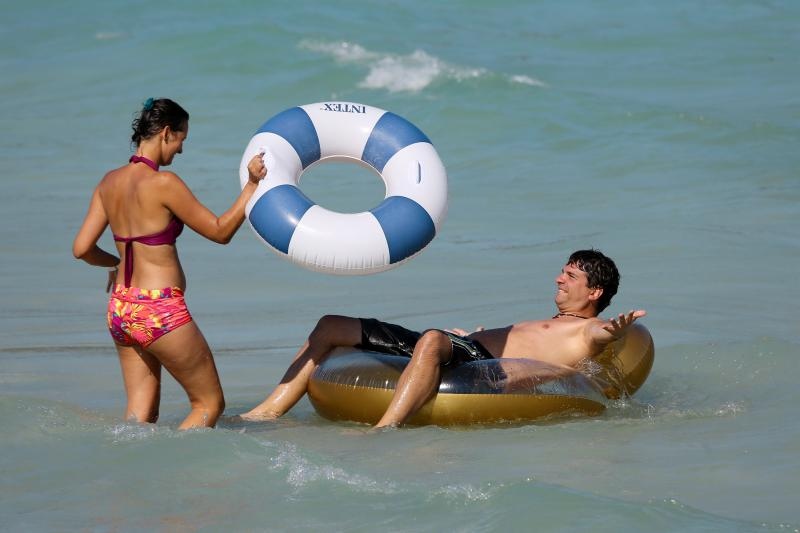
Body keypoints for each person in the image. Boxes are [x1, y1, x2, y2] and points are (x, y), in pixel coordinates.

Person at [241, 249, 646, 428]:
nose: (559, 278)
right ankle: (267, 412)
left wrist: (614, 328)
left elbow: (601, 334)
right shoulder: (552, 320)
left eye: (571, 276)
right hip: (466, 347)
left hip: (478, 367)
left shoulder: (586, 330)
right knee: (331, 324)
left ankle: (385, 429)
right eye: (562, 271)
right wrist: (470, 336)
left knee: (433, 339)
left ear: (594, 293)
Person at [72, 98, 267, 429]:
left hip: (121, 308)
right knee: (209, 403)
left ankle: (133, 475)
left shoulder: (108, 182)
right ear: (165, 133)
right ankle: (179, 475)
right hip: (159, 312)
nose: (180, 150)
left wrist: (118, 264)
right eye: (181, 139)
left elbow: (81, 249)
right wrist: (252, 184)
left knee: (139, 417)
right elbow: (220, 232)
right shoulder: (165, 184)